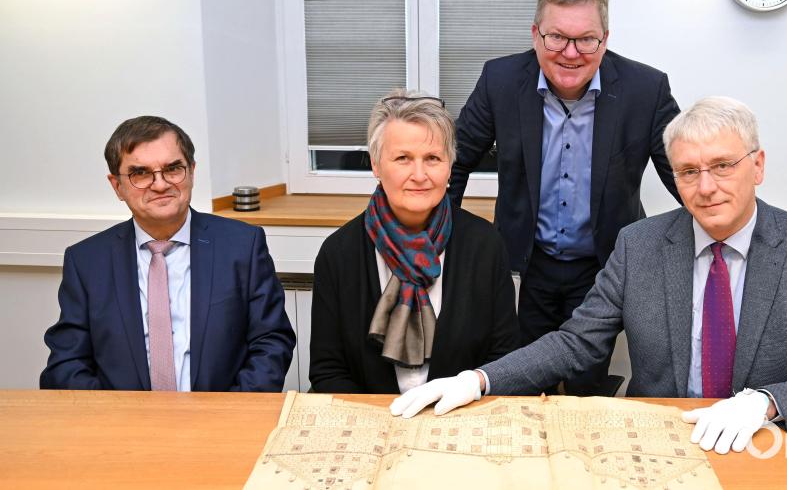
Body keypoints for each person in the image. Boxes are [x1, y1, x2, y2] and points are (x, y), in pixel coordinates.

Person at [390, 96, 787, 455]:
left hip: (768, 449)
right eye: (689, 172)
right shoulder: (640, 245)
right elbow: (574, 343)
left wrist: (769, 402)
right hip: (659, 449)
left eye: (723, 165)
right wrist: (480, 379)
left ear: (757, 166)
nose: (707, 186)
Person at [448, 0, 681, 395]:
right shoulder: (500, 81)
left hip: (603, 267)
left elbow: (685, 174)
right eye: (557, 37)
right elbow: (456, 161)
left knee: (585, 387)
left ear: (605, 39)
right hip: (527, 264)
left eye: (585, 40)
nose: (571, 53)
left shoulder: (646, 90)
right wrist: (443, 239)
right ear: (535, 35)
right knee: (517, 378)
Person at [40, 116, 295, 391]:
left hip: (220, 421)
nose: (160, 184)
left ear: (192, 172)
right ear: (117, 186)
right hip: (122, 425)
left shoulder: (242, 246)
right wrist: (114, 420)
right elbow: (67, 364)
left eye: (173, 169)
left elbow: (271, 342)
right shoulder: (87, 261)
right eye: (140, 173)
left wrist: (227, 413)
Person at [309, 90, 519, 394]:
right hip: (371, 427)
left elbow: (502, 361)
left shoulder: (485, 247)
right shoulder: (339, 253)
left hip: (459, 422)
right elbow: (328, 371)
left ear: (450, 167)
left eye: (433, 158)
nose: (419, 175)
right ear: (376, 166)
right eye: (403, 158)